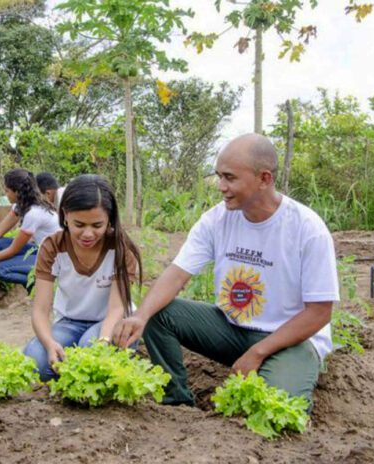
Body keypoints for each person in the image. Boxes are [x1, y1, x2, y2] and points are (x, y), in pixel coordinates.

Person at [113, 133, 339, 408]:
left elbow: (319, 313)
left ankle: (287, 373)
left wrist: (257, 352)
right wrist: (140, 316)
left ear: (264, 179)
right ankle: (177, 401)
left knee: (274, 408)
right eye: (219, 176)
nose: (221, 186)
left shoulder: (306, 229)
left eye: (230, 178)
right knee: (157, 313)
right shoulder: (217, 219)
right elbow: (177, 273)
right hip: (232, 329)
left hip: (290, 340)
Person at [23, 175, 142, 380]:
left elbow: (116, 309)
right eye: (79, 224)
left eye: (97, 226)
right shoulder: (52, 246)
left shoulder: (121, 250)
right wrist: (50, 344)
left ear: (109, 220)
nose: (88, 234)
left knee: (90, 350)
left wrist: (104, 342)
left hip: (112, 322)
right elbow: (40, 310)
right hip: (69, 322)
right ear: (65, 216)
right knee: (35, 361)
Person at [0, 169, 60, 288]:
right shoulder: (22, 205)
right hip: (41, 250)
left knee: (0, 269)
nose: (6, 194)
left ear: (17, 192)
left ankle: (41, 284)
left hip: (54, 260)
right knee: (1, 244)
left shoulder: (34, 213)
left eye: (7, 191)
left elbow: (12, 250)